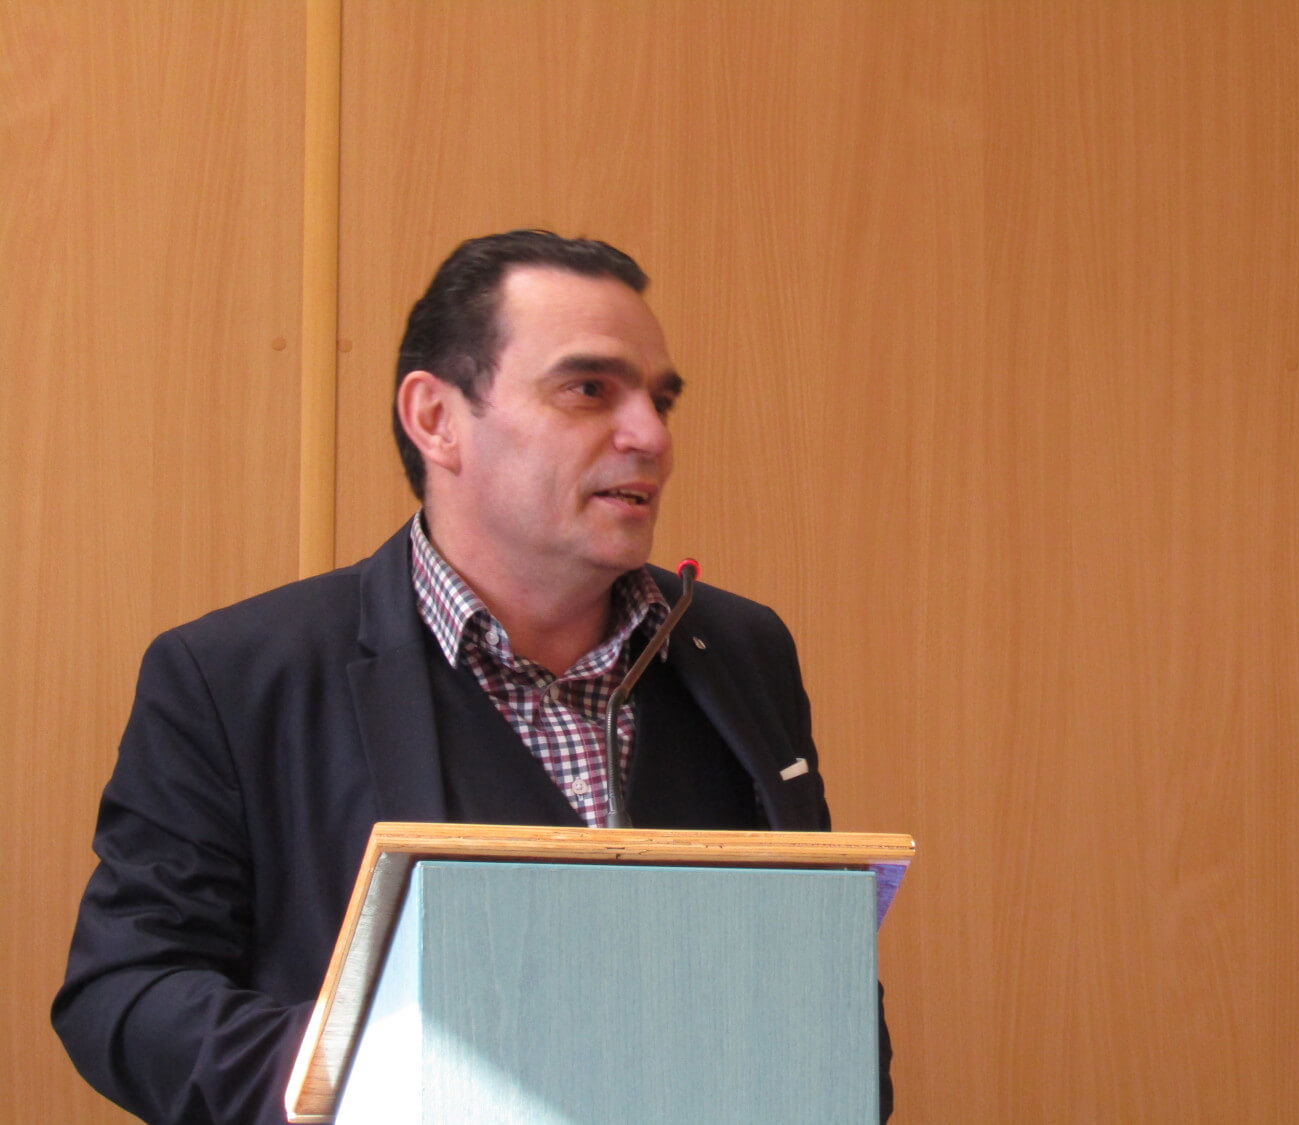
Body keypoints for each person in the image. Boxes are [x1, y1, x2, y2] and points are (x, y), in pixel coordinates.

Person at [53, 230, 892, 1124]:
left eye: (660, 400)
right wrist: (392, 1071)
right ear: (437, 419)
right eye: (589, 389)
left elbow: (825, 980)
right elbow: (126, 992)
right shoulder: (233, 676)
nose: (651, 435)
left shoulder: (744, 648)